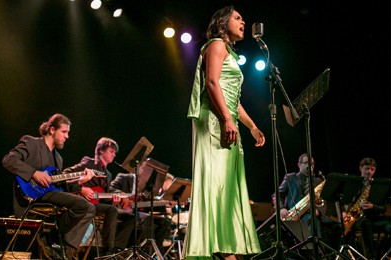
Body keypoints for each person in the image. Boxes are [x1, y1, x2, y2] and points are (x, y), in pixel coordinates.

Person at [184, 6, 266, 259]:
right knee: (216, 186)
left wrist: (251, 126)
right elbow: (211, 83)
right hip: (214, 122)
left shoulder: (227, 50)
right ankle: (220, 248)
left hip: (225, 119)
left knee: (227, 189)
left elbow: (232, 99)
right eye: (238, 18)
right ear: (223, 21)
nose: (244, 22)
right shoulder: (216, 44)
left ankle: (226, 246)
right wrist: (227, 120)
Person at [2, 113, 96, 260]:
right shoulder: (31, 142)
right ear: (52, 130)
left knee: (88, 207)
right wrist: (34, 173)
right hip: (30, 194)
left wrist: (80, 181)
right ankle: (64, 248)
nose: (67, 137)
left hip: (49, 194)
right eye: (64, 132)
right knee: (84, 206)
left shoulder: (58, 158)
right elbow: (8, 160)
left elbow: (60, 186)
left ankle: (56, 240)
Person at [63, 137, 134, 255]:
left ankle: (115, 249)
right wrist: (81, 188)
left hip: (95, 205)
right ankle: (108, 251)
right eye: (112, 151)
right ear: (101, 150)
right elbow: (66, 173)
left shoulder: (108, 174)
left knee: (129, 216)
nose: (114, 155)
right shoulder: (88, 163)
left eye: (115, 153)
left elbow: (104, 195)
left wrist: (116, 199)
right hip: (82, 203)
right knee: (111, 210)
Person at [109, 163, 172, 251]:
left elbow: (148, 203)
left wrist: (166, 203)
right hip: (122, 208)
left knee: (165, 222)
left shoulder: (147, 186)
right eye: (146, 170)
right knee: (148, 218)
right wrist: (123, 195)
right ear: (140, 169)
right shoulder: (124, 177)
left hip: (137, 211)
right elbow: (110, 188)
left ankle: (157, 251)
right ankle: (147, 249)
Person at [343, 157, 391, 259]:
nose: (369, 172)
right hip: (358, 218)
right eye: (367, 168)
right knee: (365, 223)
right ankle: (369, 256)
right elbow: (346, 201)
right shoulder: (354, 185)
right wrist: (344, 211)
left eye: (372, 169)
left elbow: (383, 209)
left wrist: (373, 206)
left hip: (374, 217)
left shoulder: (378, 186)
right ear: (361, 168)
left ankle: (384, 255)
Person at [278, 153, 324, 237]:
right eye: (306, 162)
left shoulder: (318, 181)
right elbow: (277, 194)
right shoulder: (290, 177)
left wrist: (318, 210)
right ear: (299, 164)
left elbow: (323, 200)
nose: (310, 165)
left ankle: (316, 248)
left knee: (315, 221)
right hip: (293, 215)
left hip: (310, 215)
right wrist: (281, 208)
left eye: (312, 163)